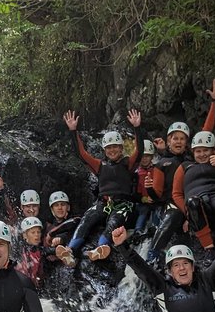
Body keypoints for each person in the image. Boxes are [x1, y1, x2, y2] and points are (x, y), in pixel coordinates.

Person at [145, 78, 215, 266]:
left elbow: (206, 132)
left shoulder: (192, 159)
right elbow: (158, 194)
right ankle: (153, 254)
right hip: (176, 203)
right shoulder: (162, 163)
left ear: (188, 143)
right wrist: (150, 190)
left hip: (199, 200)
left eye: (182, 139)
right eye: (174, 138)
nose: (178, 142)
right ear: (168, 141)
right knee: (173, 214)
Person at [55, 109, 143, 266]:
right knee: (87, 218)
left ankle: (101, 247)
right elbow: (81, 154)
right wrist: (73, 131)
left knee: (114, 221)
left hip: (123, 204)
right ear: (104, 150)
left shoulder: (127, 163)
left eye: (115, 147)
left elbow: (140, 151)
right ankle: (70, 250)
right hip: (103, 202)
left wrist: (137, 127)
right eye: (109, 148)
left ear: (121, 148)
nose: (112, 150)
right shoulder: (100, 166)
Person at [172, 131, 215, 252]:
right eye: (198, 151)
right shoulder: (184, 166)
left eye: (206, 150)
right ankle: (209, 249)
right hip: (196, 203)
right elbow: (176, 194)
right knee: (193, 203)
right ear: (193, 152)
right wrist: (188, 214)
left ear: (213, 151)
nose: (202, 154)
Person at [131, 140, 161, 242]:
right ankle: (138, 231)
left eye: (147, 156)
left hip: (155, 200)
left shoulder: (157, 170)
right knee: (144, 210)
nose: (144, 159)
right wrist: (143, 199)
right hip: (141, 202)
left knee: (157, 209)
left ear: (151, 157)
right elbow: (133, 193)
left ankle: (155, 228)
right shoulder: (135, 173)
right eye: (142, 156)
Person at [43, 190, 81, 257]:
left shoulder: (74, 221)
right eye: (56, 205)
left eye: (63, 204)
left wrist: (61, 239)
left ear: (68, 207)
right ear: (52, 209)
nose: (60, 208)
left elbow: (72, 231)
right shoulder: (47, 226)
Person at [15, 216, 45, 288]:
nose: (37, 235)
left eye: (38, 232)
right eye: (33, 232)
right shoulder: (17, 250)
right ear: (25, 235)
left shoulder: (41, 251)